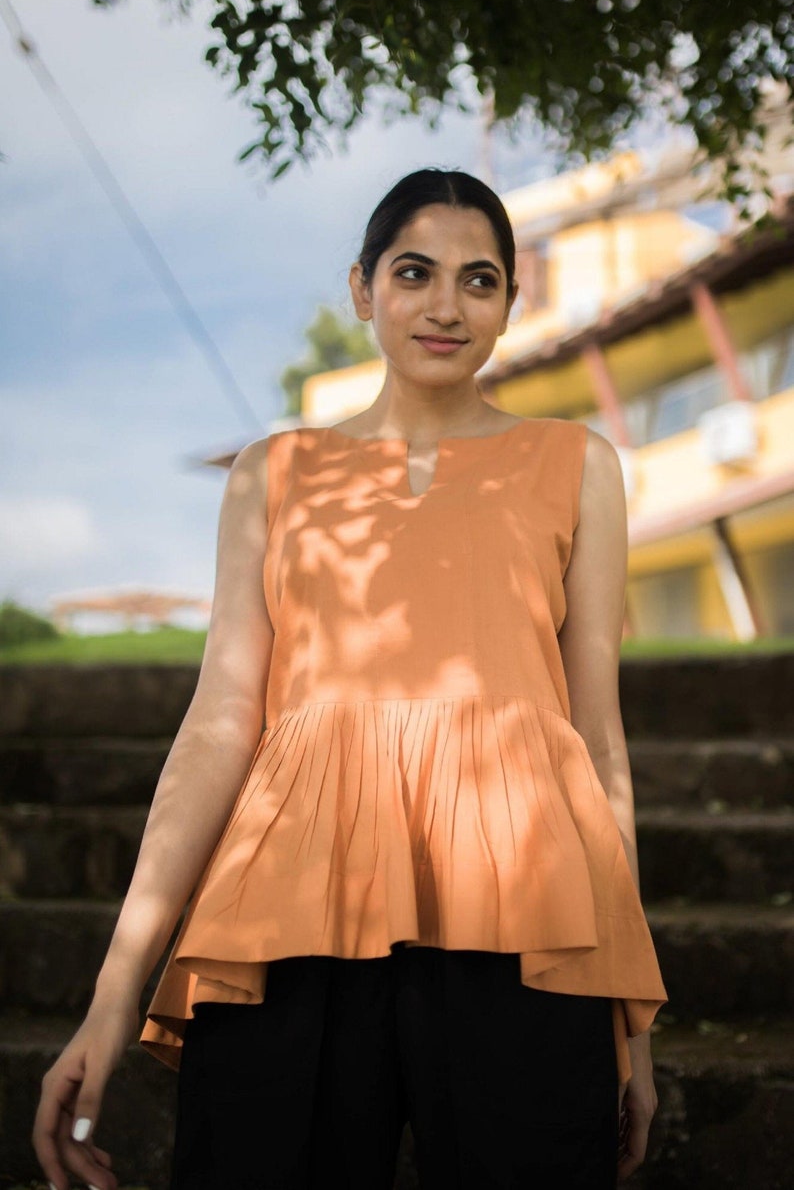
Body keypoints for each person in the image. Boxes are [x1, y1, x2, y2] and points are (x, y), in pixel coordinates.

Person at [33, 167, 667, 1190]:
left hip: (522, 900)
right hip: (289, 897)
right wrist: (113, 996)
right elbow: (217, 724)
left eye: (479, 279)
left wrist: (628, 1022)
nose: (445, 305)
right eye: (414, 272)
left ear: (510, 302)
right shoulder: (269, 472)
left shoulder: (575, 462)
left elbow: (594, 738)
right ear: (362, 288)